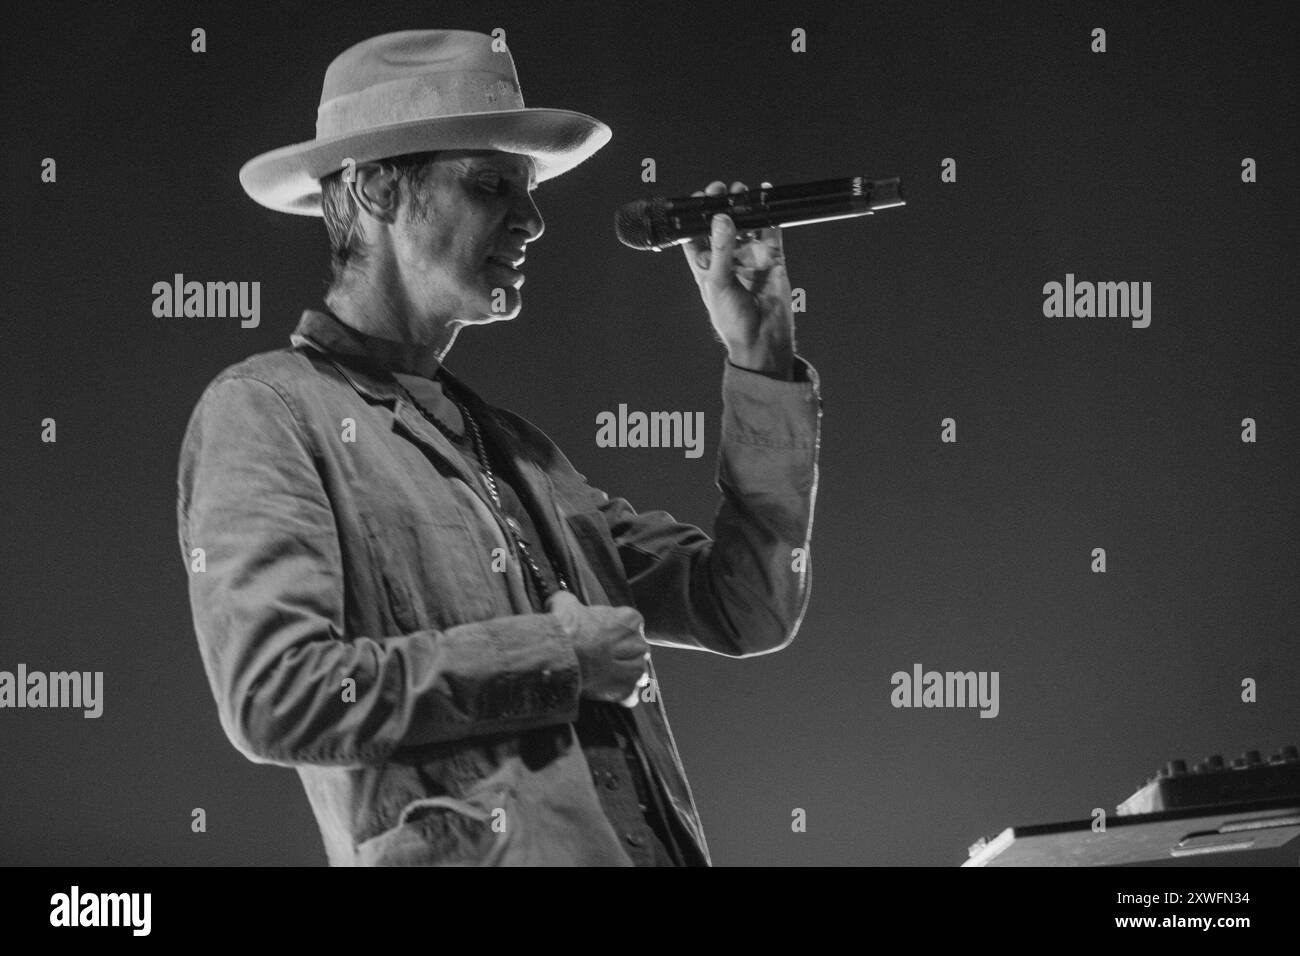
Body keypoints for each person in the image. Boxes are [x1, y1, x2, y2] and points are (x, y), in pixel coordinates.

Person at [176, 29, 822, 866]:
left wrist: (759, 358)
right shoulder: (265, 412)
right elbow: (276, 697)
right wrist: (557, 655)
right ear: (376, 190)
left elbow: (747, 607)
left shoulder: (518, 454)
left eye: (528, 189)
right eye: (491, 185)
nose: (534, 219)